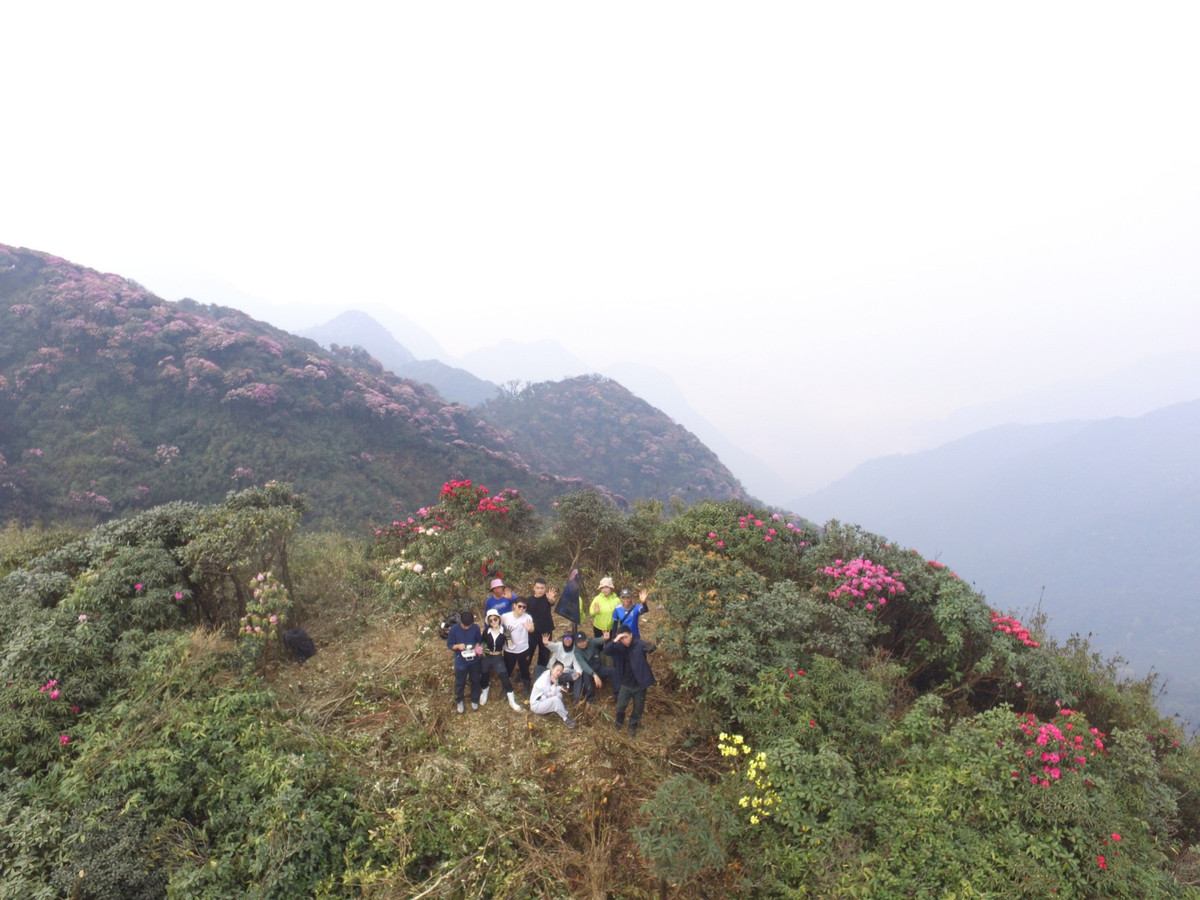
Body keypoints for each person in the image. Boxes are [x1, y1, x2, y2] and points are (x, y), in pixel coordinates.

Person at [604, 624, 656, 736]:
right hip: (625, 684)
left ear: (631, 635)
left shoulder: (638, 644)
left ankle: (633, 725)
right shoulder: (619, 647)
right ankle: (619, 721)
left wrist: (650, 647)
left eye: (626, 637)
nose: (625, 640)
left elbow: (650, 647)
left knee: (638, 708)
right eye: (622, 639)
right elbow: (607, 651)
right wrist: (615, 640)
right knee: (621, 705)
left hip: (639, 684)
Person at [479, 609, 524, 711]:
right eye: (490, 621)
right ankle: (485, 692)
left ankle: (512, 701)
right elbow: (481, 643)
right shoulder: (486, 631)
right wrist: (480, 650)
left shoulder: (505, 631)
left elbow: (511, 647)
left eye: (495, 619)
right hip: (487, 656)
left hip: (498, 657)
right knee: (484, 674)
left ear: (499, 619)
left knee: (504, 676)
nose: (493, 622)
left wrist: (508, 638)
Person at [446, 609, 482, 713]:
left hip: (473, 659)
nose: (467, 627)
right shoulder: (454, 629)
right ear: (461, 622)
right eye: (465, 626)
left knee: (475, 680)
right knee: (460, 682)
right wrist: (457, 646)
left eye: (469, 626)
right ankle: (459, 700)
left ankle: (474, 699)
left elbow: (479, 640)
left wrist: (476, 647)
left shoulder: (475, 627)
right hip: (460, 660)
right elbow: (449, 645)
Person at [501, 597, 536, 696]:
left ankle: (526, 688)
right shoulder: (505, 617)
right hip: (509, 650)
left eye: (524, 607)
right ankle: (505, 689)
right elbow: (496, 623)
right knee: (508, 670)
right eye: (519, 606)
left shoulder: (527, 617)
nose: (521, 609)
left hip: (523, 649)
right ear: (514, 605)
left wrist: (530, 629)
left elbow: (532, 629)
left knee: (525, 670)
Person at [529, 661, 577, 728]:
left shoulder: (551, 676)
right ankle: (565, 718)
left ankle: (556, 710)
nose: (558, 673)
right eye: (557, 670)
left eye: (560, 672)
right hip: (536, 704)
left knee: (559, 695)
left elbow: (551, 691)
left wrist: (560, 688)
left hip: (543, 699)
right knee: (556, 699)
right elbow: (550, 694)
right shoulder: (544, 679)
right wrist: (555, 684)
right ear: (552, 668)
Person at [573, 629, 617, 703]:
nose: (581, 644)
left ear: (587, 639)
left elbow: (600, 640)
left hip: (598, 668)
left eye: (583, 641)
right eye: (579, 642)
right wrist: (594, 675)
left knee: (613, 671)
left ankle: (617, 694)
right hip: (589, 671)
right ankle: (590, 699)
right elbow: (583, 665)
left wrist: (605, 638)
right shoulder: (577, 651)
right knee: (586, 676)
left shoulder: (591, 641)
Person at [541, 630, 585, 701]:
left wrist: (578, 673)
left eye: (570, 639)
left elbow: (576, 664)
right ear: (563, 639)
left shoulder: (575, 650)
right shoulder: (559, 646)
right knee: (539, 669)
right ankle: (543, 694)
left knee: (579, 676)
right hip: (554, 673)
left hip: (566, 673)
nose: (568, 641)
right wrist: (546, 643)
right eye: (566, 638)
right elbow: (551, 645)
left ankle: (576, 699)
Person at [524, 578, 557, 668]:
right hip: (532, 631)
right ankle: (524, 673)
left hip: (546, 631)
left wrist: (551, 599)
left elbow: (552, 602)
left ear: (545, 589)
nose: (540, 590)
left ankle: (541, 672)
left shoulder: (547, 598)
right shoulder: (528, 600)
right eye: (538, 588)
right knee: (528, 652)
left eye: (542, 588)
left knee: (545, 654)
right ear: (534, 588)